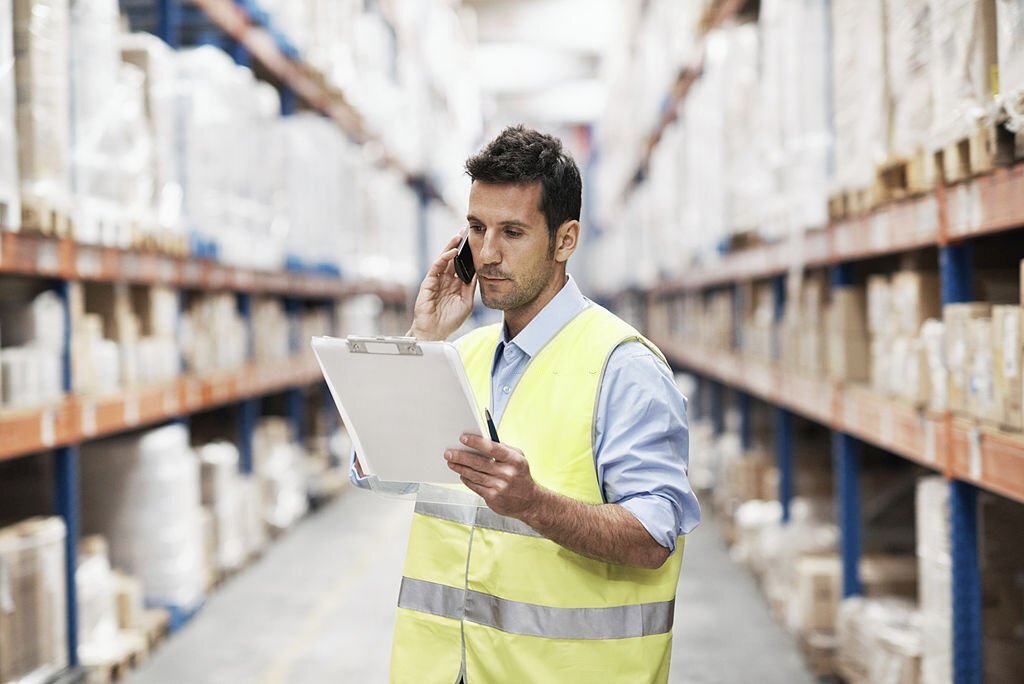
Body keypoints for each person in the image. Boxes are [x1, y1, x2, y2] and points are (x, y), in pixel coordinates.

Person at [350, 125, 700, 683]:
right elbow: (378, 472)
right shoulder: (458, 355)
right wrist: (422, 340)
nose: (487, 253)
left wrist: (534, 503)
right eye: (476, 228)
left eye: (512, 232)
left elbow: (654, 535)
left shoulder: (622, 367)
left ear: (565, 240)